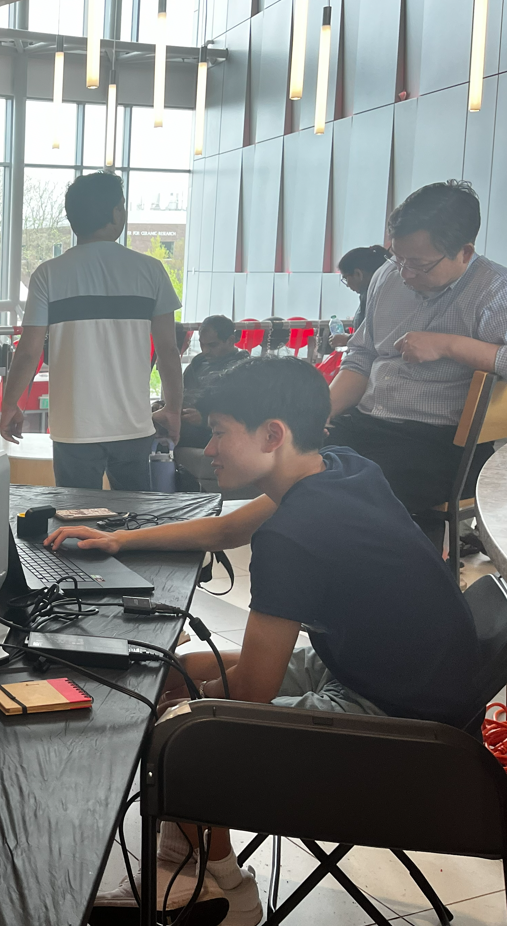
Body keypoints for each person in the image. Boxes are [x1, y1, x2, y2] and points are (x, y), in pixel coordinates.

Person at [55, 357, 482, 920]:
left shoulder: (294, 537)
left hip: (404, 727)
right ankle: (212, 872)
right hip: (395, 676)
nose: (208, 449)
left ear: (272, 434)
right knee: (187, 668)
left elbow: (252, 692)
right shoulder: (340, 465)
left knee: (184, 728)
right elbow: (229, 528)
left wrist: (176, 698)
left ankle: (211, 887)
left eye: (220, 432)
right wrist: (120, 540)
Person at [328, 180, 507, 542]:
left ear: (465, 252)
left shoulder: (494, 292)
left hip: (440, 443)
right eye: (399, 258)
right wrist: (321, 411)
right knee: (290, 467)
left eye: (420, 265)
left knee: (344, 495)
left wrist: (451, 345)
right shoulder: (388, 276)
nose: (405, 274)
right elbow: (361, 356)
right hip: (368, 424)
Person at [0, 171, 183, 490]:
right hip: (133, 427)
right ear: (115, 213)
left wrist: (9, 404)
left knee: (73, 520)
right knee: (134, 522)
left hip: (74, 429)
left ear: (73, 219)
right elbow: (168, 350)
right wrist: (173, 409)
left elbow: (28, 351)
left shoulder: (48, 275)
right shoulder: (151, 271)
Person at [168, 314, 247, 447]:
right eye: (202, 344)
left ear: (230, 340)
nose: (205, 351)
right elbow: (181, 391)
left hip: (214, 436)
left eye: (212, 345)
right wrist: (167, 406)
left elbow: (244, 415)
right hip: (185, 429)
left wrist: (204, 420)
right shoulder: (198, 363)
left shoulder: (243, 370)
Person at [331, 244, 390, 347]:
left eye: (346, 279)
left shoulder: (374, 297)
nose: (348, 285)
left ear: (358, 274)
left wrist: (349, 339)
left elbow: (377, 337)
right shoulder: (378, 292)